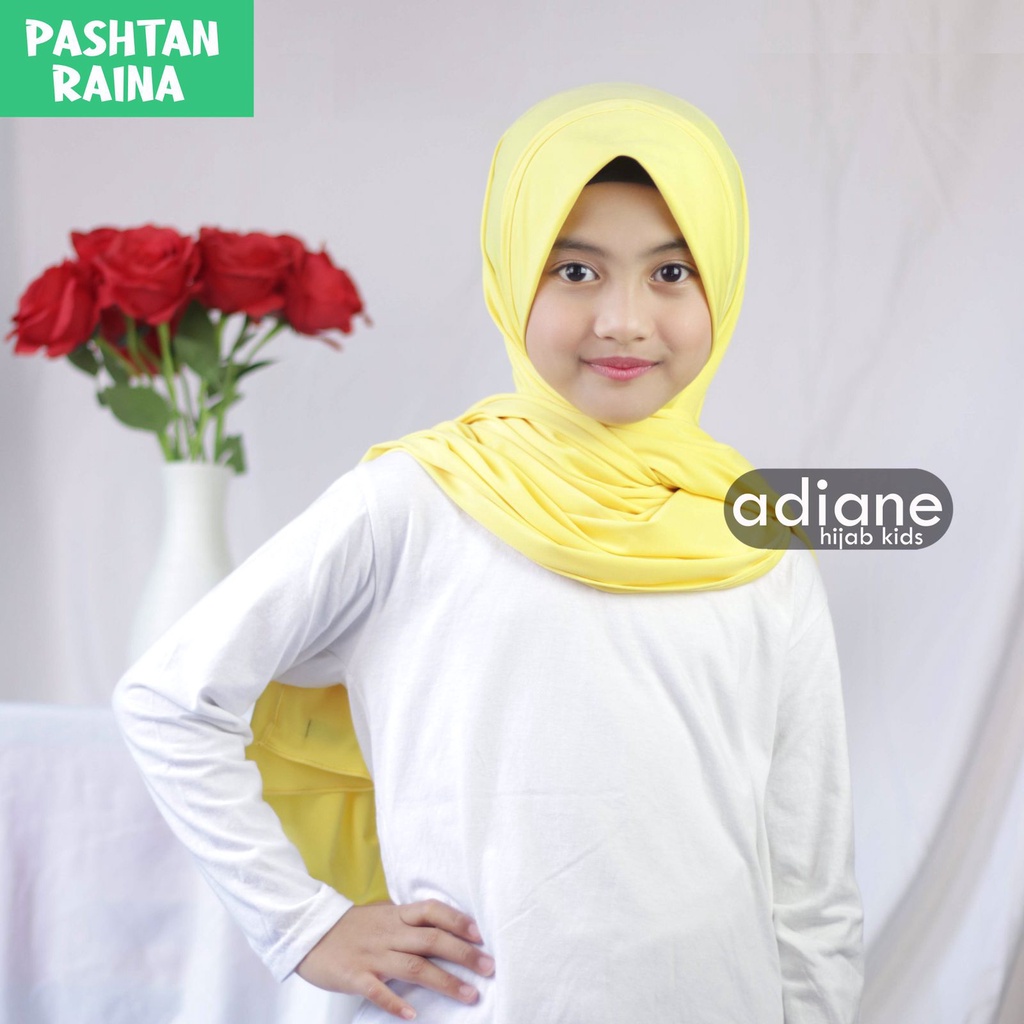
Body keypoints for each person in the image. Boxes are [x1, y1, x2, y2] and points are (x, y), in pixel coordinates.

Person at [113, 82, 865, 1023]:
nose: (625, 319)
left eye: (672, 272)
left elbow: (809, 881)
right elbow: (169, 699)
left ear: (725, 278)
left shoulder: (760, 543)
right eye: (575, 270)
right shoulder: (417, 502)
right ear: (511, 276)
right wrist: (302, 925)